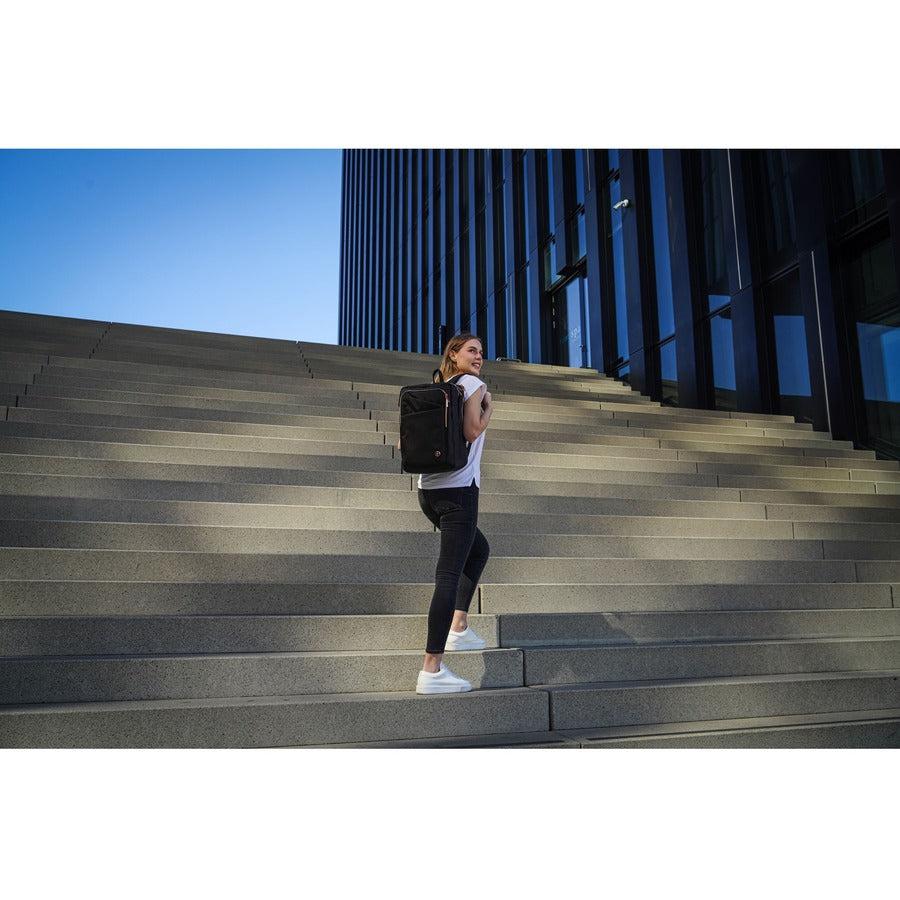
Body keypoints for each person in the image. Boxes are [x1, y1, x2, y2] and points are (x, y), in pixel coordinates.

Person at [412, 332, 493, 694]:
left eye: (481, 352)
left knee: (478, 549)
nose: (479, 357)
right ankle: (432, 669)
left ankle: (459, 625)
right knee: (447, 576)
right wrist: (489, 408)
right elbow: (473, 430)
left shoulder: (440, 387)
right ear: (454, 354)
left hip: (429, 492)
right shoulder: (471, 384)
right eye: (472, 350)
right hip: (459, 491)